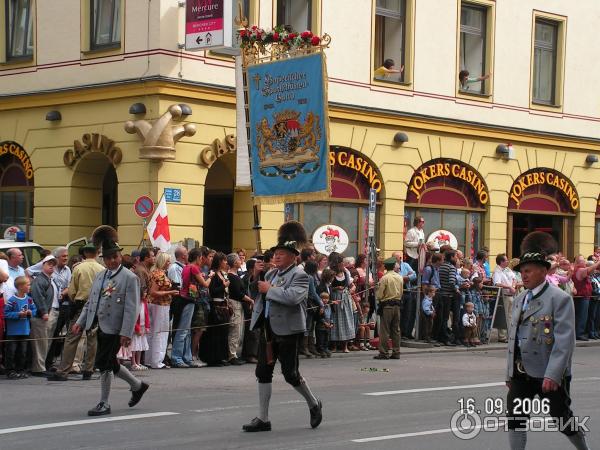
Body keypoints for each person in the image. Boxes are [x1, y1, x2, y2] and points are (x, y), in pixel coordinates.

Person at [506, 233, 590, 450]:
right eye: (522, 271)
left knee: (561, 419)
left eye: (529, 270)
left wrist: (553, 374)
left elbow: (564, 341)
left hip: (548, 372)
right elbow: (513, 341)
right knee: (515, 418)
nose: (524, 275)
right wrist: (509, 374)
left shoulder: (559, 298)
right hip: (521, 373)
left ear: (543, 271)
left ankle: (583, 447)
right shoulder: (518, 300)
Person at [243, 221, 322, 432]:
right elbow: (254, 295)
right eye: (275, 253)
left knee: (290, 374)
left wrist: (269, 289)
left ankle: (314, 403)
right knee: (263, 371)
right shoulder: (270, 274)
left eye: (281, 253)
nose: (276, 256)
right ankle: (263, 418)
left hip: (289, 330)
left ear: (293, 256)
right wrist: (256, 277)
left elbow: (293, 298)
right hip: (268, 327)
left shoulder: (300, 275)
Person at [74, 239, 149, 417]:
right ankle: (138, 386)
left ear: (120, 256)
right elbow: (91, 302)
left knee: (104, 364)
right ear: (104, 259)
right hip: (99, 324)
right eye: (108, 258)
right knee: (111, 362)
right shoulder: (100, 275)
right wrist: (80, 322)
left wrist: (126, 332)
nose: (112, 261)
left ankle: (104, 402)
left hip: (115, 328)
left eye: (115, 257)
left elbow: (132, 308)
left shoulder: (130, 278)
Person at [48, 243, 105, 381]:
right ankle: (88, 369)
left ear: (84, 253)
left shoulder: (78, 268)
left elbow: (72, 290)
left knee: (72, 338)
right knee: (92, 339)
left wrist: (74, 299)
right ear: (97, 253)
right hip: (97, 305)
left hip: (81, 305)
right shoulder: (102, 269)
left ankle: (63, 371)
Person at [173, 247, 209, 368]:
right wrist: (211, 276)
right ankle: (177, 358)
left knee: (187, 331)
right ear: (198, 258)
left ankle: (186, 357)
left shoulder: (186, 267)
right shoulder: (193, 267)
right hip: (188, 299)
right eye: (201, 258)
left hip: (187, 299)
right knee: (183, 331)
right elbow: (205, 284)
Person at [147, 252, 179, 369]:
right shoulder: (160, 274)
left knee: (152, 332)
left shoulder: (153, 272)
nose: (169, 263)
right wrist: (170, 292)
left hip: (154, 304)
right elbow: (154, 292)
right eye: (168, 261)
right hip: (161, 305)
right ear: (163, 262)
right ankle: (157, 361)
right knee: (161, 332)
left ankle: (150, 359)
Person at [199, 252, 231, 367]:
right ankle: (214, 358)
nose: (226, 262)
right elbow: (212, 291)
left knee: (223, 332)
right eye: (224, 260)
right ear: (219, 261)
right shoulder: (213, 274)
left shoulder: (223, 274)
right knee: (215, 333)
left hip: (224, 306)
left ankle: (222, 356)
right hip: (216, 306)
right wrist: (224, 286)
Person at [29, 255, 58, 376]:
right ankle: (38, 368)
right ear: (42, 265)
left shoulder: (49, 279)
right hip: (41, 315)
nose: (51, 266)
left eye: (53, 264)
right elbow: (38, 297)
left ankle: (42, 366)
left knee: (46, 342)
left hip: (50, 313)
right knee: (40, 342)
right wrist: (44, 312)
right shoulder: (40, 280)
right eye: (48, 263)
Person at [4, 276, 35, 379]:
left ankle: (21, 369)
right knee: (11, 352)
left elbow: (34, 310)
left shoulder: (29, 299)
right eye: (28, 284)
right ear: (21, 286)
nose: (29, 286)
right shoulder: (12, 300)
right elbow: (6, 314)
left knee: (23, 352)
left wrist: (31, 312)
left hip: (25, 330)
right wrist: (18, 314)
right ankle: (10, 370)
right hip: (13, 331)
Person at [227, 252, 254, 365]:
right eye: (238, 259)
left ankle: (233, 353)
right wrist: (250, 300)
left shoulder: (236, 275)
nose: (241, 260)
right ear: (234, 262)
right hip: (235, 303)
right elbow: (238, 293)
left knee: (238, 330)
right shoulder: (231, 276)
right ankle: (231, 354)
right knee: (235, 329)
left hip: (239, 304)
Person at [374, 257, 404, 360]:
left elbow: (380, 295)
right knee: (396, 330)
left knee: (385, 330)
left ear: (385, 267)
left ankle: (384, 352)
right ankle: (396, 352)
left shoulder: (385, 278)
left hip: (387, 306)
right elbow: (401, 292)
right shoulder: (399, 277)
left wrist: (378, 291)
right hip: (397, 305)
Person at [571, 255, 600, 341]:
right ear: (579, 262)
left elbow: (592, 271)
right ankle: (579, 333)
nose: (585, 262)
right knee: (582, 316)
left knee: (583, 316)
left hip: (584, 297)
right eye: (583, 261)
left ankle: (580, 332)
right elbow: (589, 270)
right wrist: (598, 262)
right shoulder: (579, 269)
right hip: (582, 297)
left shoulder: (579, 269)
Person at [437, 250, 459, 346]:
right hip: (448, 295)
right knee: (449, 318)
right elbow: (451, 281)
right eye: (456, 256)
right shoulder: (452, 267)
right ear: (451, 257)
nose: (457, 258)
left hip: (441, 293)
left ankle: (441, 336)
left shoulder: (441, 266)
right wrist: (456, 290)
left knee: (443, 317)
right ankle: (448, 338)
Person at [493, 253, 517, 344]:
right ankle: (502, 336)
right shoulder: (497, 271)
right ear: (501, 262)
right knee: (504, 316)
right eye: (506, 260)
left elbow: (514, 278)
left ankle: (510, 335)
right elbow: (497, 283)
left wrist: (513, 285)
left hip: (511, 295)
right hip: (504, 296)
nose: (508, 261)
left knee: (511, 316)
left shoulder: (507, 269)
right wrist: (509, 287)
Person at [130, 293, 150, 370]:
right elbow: (133, 317)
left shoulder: (144, 302)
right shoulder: (135, 303)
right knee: (134, 346)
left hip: (142, 326)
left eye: (146, 292)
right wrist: (137, 329)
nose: (145, 294)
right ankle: (133, 363)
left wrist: (147, 326)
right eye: (144, 292)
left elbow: (146, 314)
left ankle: (138, 362)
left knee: (140, 346)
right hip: (136, 328)